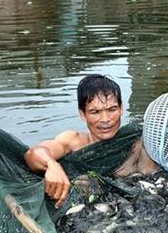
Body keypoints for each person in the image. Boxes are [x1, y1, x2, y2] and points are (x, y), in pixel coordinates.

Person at [24, 74, 158, 208]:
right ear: (83, 114)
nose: (105, 119)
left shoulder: (136, 140)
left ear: (121, 109)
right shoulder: (73, 141)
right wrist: (51, 165)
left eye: (112, 109)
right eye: (95, 112)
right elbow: (33, 154)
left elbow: (153, 182)